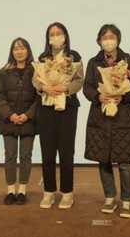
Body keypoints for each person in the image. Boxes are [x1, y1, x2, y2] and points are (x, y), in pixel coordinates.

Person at [83, 24, 130, 218]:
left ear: (118, 39)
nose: (108, 41)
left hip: (123, 117)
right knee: (103, 160)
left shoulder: (128, 61)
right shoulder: (93, 62)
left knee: (125, 162)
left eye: (112, 37)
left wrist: (123, 96)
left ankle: (127, 201)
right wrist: (98, 96)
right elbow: (87, 87)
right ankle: (109, 197)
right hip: (100, 117)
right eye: (104, 37)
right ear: (99, 40)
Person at [32, 22, 83, 209]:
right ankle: (48, 192)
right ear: (48, 38)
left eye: (58, 33)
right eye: (51, 34)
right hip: (46, 107)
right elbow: (35, 79)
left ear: (65, 35)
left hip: (67, 107)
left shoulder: (74, 56)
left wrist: (66, 87)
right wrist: (43, 87)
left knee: (66, 151)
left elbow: (79, 80)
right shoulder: (42, 57)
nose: (55, 37)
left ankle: (67, 193)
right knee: (47, 151)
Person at [0, 37, 37, 205]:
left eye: (22, 48)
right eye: (16, 48)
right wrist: (10, 115)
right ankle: (11, 190)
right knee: (10, 156)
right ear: (12, 52)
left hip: (29, 121)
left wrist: (28, 115)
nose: (19, 51)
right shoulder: (4, 72)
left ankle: (22, 190)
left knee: (26, 156)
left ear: (28, 50)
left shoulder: (36, 71)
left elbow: (39, 97)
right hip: (8, 121)